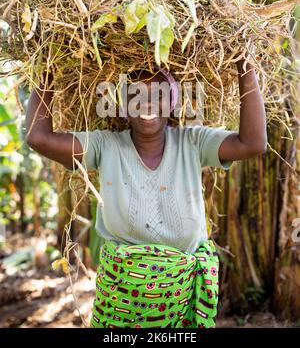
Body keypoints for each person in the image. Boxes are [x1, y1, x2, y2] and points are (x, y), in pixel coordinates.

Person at [25, 59, 267, 328]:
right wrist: (46, 66)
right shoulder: (105, 146)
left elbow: (253, 143)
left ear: (172, 102)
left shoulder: (193, 141)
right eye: (136, 95)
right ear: (124, 107)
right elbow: (39, 139)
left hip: (182, 296)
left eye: (159, 94)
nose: (148, 103)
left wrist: (244, 64)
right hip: (123, 296)